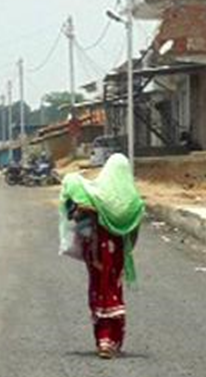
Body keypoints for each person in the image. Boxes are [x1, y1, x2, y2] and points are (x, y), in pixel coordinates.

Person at [59, 153, 145, 358]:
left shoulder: (93, 197)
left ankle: (103, 339)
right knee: (113, 290)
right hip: (116, 256)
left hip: (95, 254)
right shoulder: (133, 203)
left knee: (98, 290)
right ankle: (112, 340)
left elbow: (75, 212)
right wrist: (126, 253)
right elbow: (133, 236)